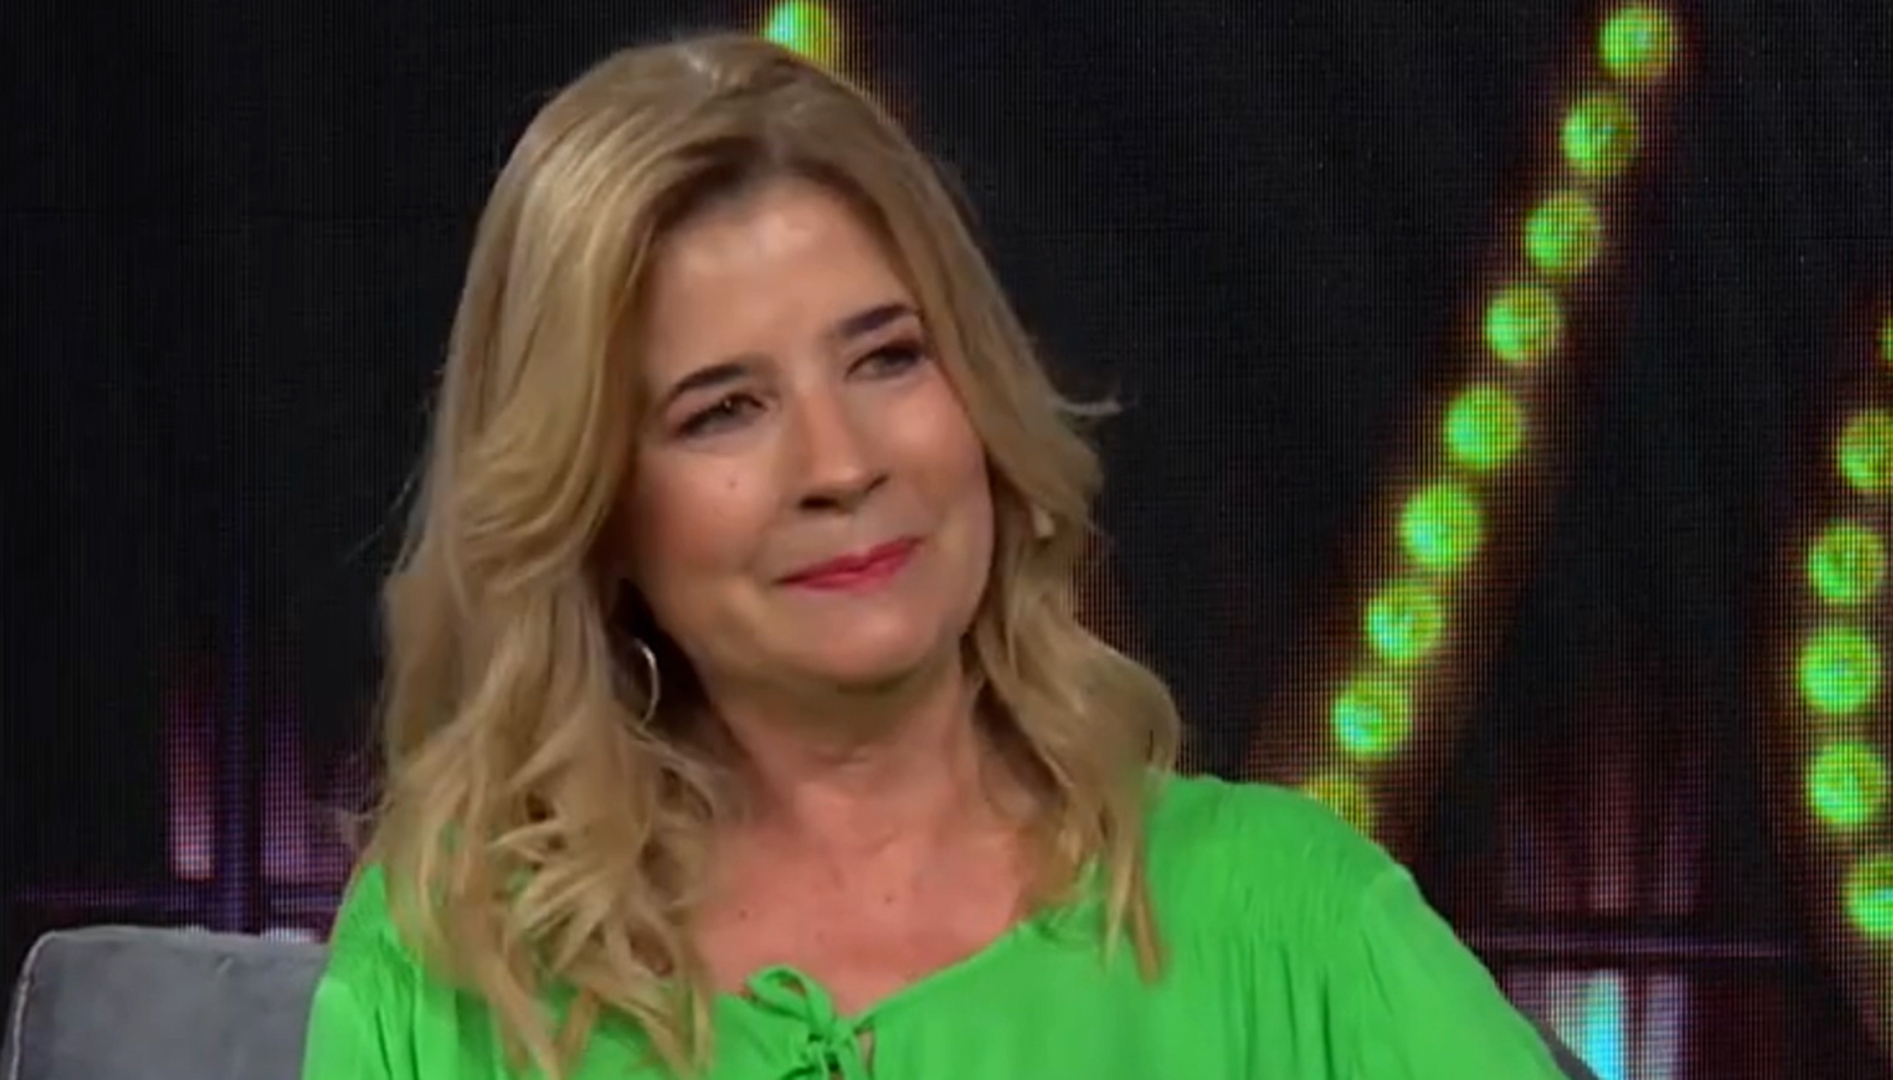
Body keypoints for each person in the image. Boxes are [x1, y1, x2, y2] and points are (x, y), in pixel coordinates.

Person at [301, 32, 1572, 1080]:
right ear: (595, 509)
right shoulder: (453, 975)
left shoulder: (1295, 930)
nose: (843, 464)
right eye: (723, 410)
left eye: (888, 357)